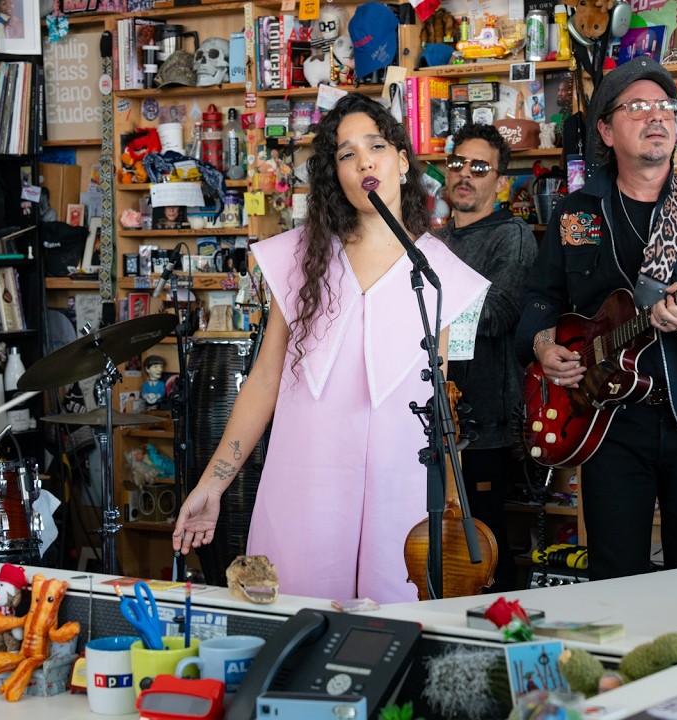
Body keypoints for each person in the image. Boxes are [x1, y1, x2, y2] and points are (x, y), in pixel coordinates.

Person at [172, 94, 489, 603]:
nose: (364, 160)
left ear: (402, 162)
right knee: (301, 628)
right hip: (306, 488)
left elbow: (443, 407)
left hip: (402, 496)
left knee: (396, 637)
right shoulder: (301, 258)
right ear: (336, 177)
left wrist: (454, 517)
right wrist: (213, 484)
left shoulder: (441, 273)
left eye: (377, 146)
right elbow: (264, 381)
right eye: (346, 154)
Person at [516, 56, 677, 579]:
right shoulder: (576, 211)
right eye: (638, 107)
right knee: (614, 574)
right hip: (610, 422)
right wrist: (541, 345)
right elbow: (540, 298)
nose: (657, 117)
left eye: (665, 107)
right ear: (605, 128)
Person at [437, 123, 538, 593]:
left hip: (486, 427)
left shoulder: (511, 235)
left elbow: (497, 315)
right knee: (436, 547)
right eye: (457, 163)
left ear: (500, 183)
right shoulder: (431, 241)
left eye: (480, 168)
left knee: (485, 551)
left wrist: (429, 293)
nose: (465, 175)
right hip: (432, 419)